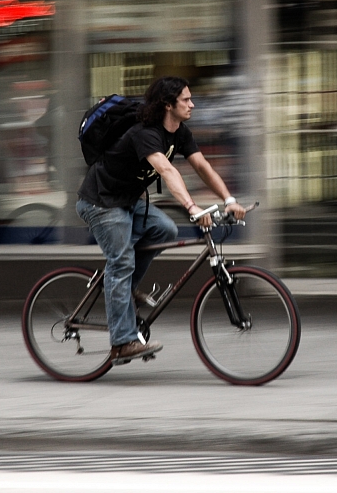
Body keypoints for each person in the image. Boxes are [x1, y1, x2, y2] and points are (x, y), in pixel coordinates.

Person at [76, 76, 246, 363]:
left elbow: (202, 166)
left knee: (165, 229)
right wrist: (192, 207)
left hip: (128, 201)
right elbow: (167, 171)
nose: (192, 104)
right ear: (168, 105)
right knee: (122, 262)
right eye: (186, 100)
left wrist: (228, 200)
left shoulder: (180, 132)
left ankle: (124, 291)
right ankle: (122, 343)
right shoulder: (145, 133)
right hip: (100, 202)